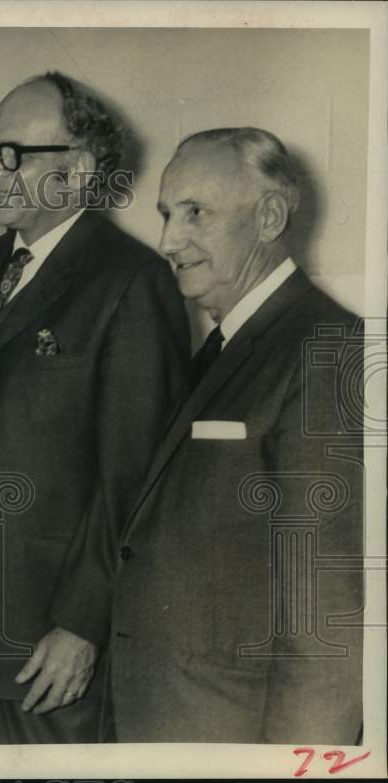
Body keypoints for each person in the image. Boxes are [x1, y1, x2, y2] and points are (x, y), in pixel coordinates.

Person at [49, 127, 365, 743]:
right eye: (168, 214)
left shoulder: (327, 350)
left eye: (197, 213)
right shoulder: (226, 346)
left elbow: (327, 627)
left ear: (270, 216)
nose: (168, 240)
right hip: (170, 722)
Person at [0, 72, 190, 743]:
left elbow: (138, 481)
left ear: (78, 170)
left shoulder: (132, 280)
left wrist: (84, 624)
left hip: (51, 647)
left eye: (13, 154)